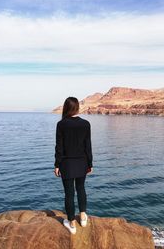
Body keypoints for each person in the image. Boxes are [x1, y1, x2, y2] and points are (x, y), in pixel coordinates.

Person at [54, 96, 93, 234]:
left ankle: (71, 223)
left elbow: (59, 147)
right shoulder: (86, 124)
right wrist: (90, 163)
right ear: (77, 107)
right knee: (81, 189)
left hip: (67, 164)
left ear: (66, 108)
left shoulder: (62, 124)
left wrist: (57, 164)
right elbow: (88, 146)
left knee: (69, 194)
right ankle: (83, 217)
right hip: (82, 163)